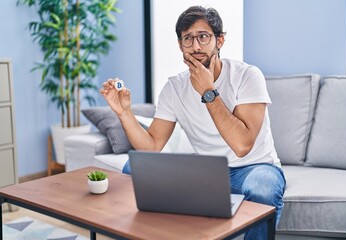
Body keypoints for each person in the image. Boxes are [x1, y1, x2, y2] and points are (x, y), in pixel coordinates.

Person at [100, 6, 286, 239]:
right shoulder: (174, 88)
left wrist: (208, 91)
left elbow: (242, 145)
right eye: (188, 39)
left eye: (203, 37)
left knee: (264, 186)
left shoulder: (247, 76)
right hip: (206, 172)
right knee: (131, 169)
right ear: (180, 45)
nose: (196, 46)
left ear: (220, 40)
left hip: (253, 168)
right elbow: (151, 146)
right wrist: (124, 112)